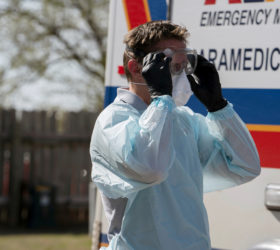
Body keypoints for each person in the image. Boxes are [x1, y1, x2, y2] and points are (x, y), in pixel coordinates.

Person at [90, 20, 260, 250]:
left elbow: (246, 166)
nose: (177, 75)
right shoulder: (113, 121)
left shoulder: (183, 121)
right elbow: (152, 168)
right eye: (168, 66)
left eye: (181, 66)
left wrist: (219, 108)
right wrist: (161, 100)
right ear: (136, 68)